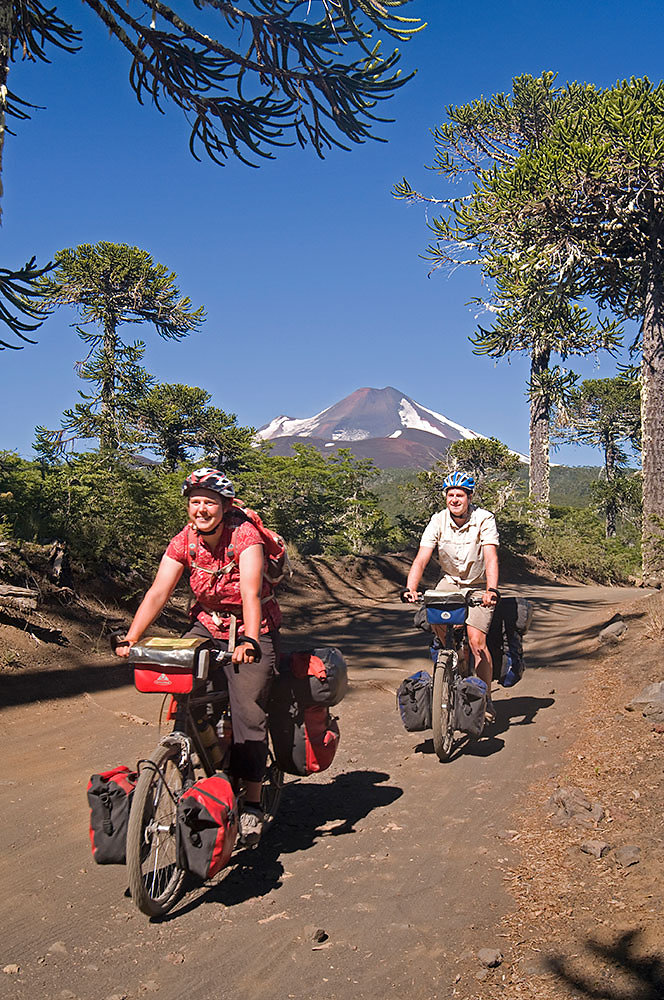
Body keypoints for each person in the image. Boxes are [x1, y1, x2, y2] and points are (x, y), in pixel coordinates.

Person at [115, 467, 281, 846]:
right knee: (183, 691)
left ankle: (253, 802)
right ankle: (212, 761)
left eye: (209, 502)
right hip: (207, 624)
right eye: (195, 503)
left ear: (225, 506)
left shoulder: (245, 535)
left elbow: (252, 594)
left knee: (248, 709)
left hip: (252, 628)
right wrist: (131, 637)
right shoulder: (184, 541)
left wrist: (251, 641)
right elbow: (159, 591)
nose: (201, 509)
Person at [404, 470, 500, 722]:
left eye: (460, 495)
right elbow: (422, 557)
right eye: (450, 495)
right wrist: (410, 588)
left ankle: (486, 697)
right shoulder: (437, 521)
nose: (454, 499)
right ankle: (452, 656)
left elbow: (490, 557)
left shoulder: (484, 519)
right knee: (434, 615)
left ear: (469, 497)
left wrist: (491, 590)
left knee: (477, 641)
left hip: (478, 584)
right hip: (450, 581)